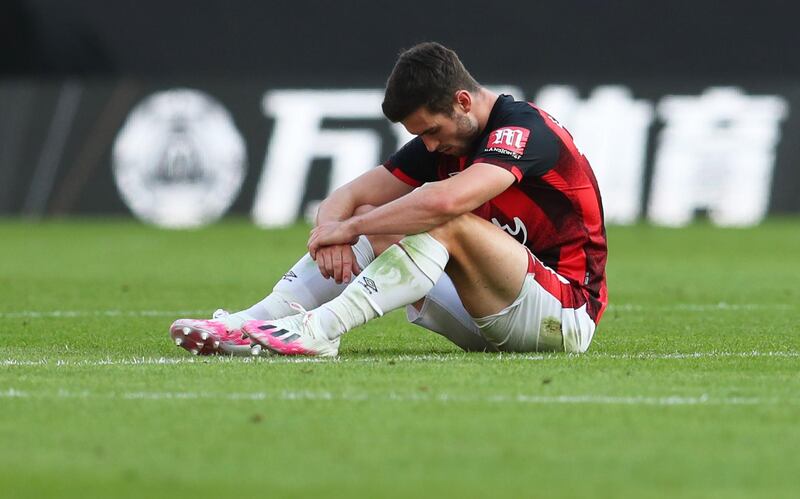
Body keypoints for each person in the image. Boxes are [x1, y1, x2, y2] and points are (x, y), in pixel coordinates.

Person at [169, 42, 608, 357]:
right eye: (421, 136)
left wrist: (352, 227)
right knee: (373, 215)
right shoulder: (446, 142)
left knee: (438, 216)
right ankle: (251, 324)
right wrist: (335, 232)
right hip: (490, 308)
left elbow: (444, 204)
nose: (430, 146)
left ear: (462, 101)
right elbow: (347, 197)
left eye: (432, 131)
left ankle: (320, 330)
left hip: (563, 314)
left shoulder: (523, 131)